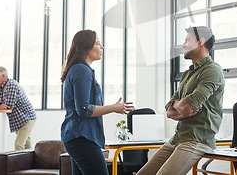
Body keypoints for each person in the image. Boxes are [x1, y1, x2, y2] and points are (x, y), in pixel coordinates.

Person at [137, 26, 224, 175]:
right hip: (178, 137)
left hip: (197, 139)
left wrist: (182, 106)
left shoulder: (212, 70)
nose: (183, 45)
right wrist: (181, 106)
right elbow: (170, 111)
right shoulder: (187, 74)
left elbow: (186, 107)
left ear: (200, 42)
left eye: (187, 40)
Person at [61, 29, 133, 175]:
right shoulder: (82, 70)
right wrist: (113, 108)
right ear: (87, 48)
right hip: (81, 137)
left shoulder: (80, 69)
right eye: (98, 43)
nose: (102, 47)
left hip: (77, 137)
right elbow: (84, 109)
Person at [0, 66, 37, 150]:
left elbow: (8, 106)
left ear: (3, 76)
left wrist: (0, 106)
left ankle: (19, 163)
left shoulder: (11, 85)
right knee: (27, 147)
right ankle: (30, 163)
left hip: (26, 118)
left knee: (18, 145)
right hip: (18, 121)